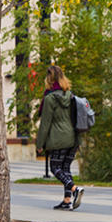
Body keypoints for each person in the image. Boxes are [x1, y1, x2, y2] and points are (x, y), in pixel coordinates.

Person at [35, 65, 85, 210]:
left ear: (49, 79)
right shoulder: (70, 95)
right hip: (73, 138)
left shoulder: (50, 98)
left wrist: (39, 144)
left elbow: (45, 124)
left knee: (55, 168)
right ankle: (67, 200)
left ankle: (75, 189)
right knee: (65, 168)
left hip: (59, 138)